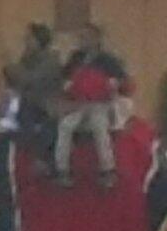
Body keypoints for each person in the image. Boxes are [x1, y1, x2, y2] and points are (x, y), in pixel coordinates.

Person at [54, 24, 131, 188]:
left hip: (100, 103)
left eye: (87, 37)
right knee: (65, 126)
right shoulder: (75, 58)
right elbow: (63, 79)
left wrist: (109, 85)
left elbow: (122, 80)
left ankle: (107, 170)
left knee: (99, 127)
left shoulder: (107, 60)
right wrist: (68, 89)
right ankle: (62, 170)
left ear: (97, 39)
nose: (83, 40)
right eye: (82, 37)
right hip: (77, 104)